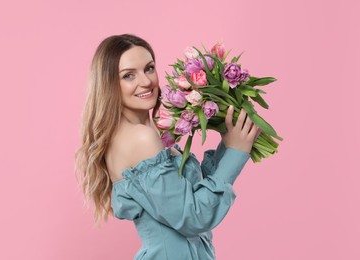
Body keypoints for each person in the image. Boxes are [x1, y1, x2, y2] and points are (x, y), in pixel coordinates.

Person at [75, 34, 261, 260]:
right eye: (128, 75)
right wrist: (235, 153)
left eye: (149, 68)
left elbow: (191, 198)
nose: (145, 81)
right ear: (109, 84)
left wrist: (230, 141)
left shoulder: (147, 133)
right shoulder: (140, 138)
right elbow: (193, 217)